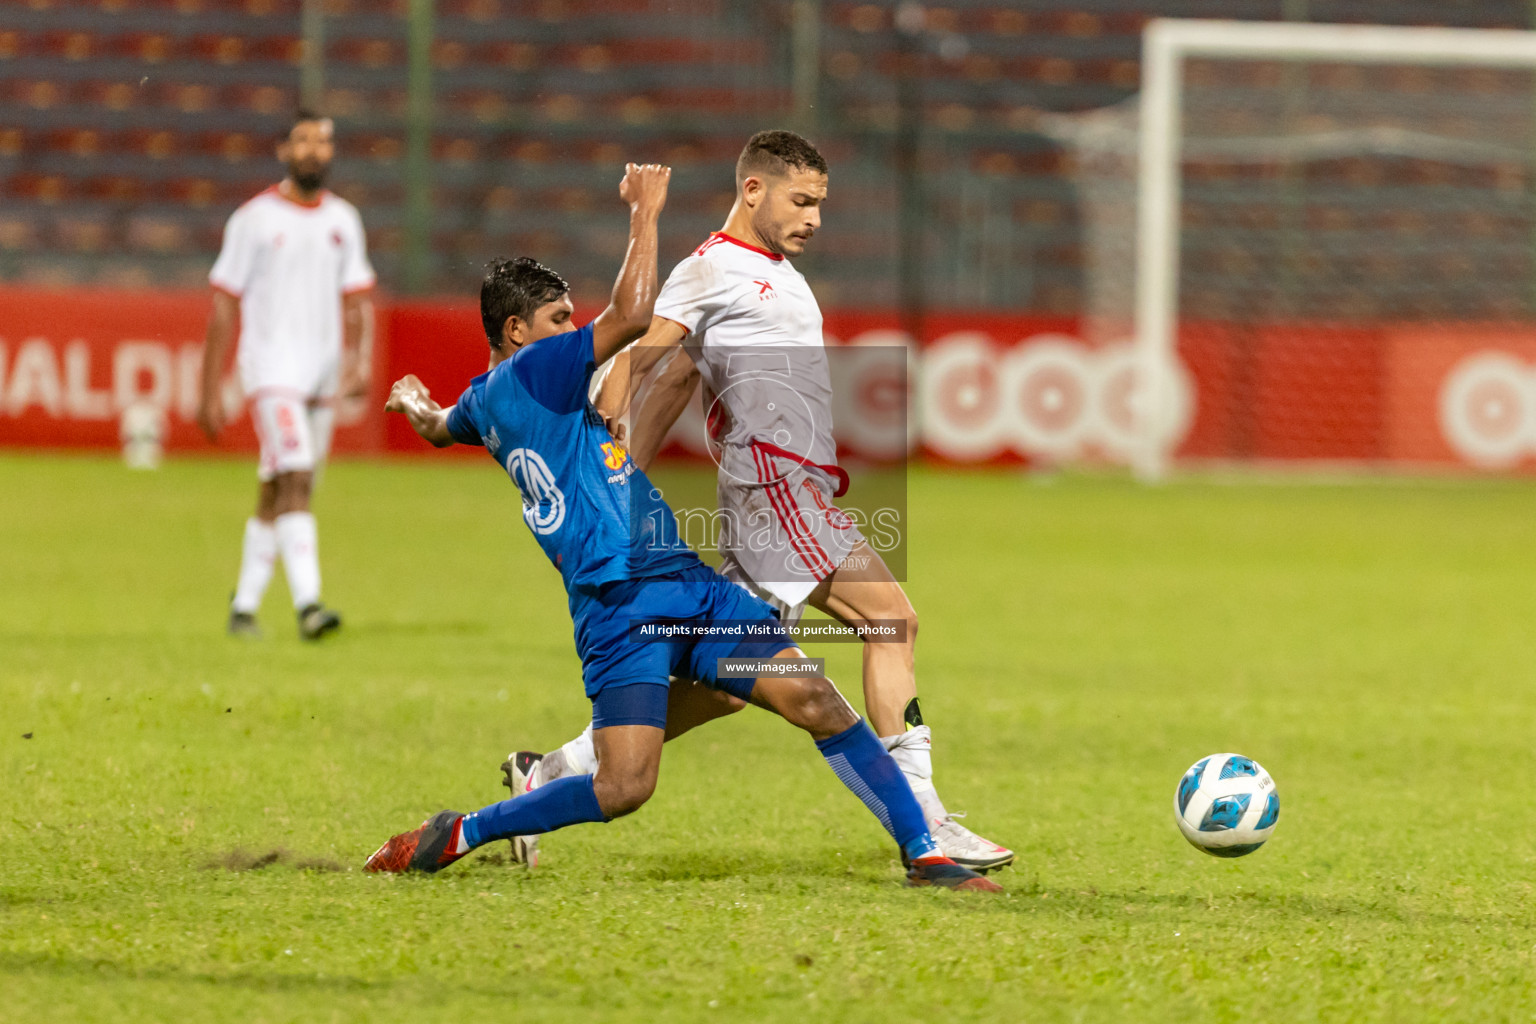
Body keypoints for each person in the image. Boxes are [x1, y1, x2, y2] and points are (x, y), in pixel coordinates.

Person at [363, 162, 999, 892]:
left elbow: (444, 426)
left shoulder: (485, 400)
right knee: (625, 786)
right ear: (517, 330)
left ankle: (925, 852)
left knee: (814, 699)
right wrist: (645, 211)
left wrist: (417, 404)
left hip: (687, 585)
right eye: (560, 319)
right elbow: (632, 318)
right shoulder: (535, 372)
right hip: (620, 607)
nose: (575, 330)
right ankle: (461, 832)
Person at [198, 109, 375, 641]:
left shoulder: (343, 220)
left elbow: (359, 299)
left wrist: (359, 362)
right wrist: (210, 388)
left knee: (283, 486)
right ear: (283, 150)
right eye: (304, 141)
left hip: (320, 374)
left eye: (324, 141)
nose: (315, 151)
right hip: (271, 369)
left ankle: (244, 607)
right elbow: (224, 306)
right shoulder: (253, 219)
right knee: (296, 473)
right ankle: (309, 606)